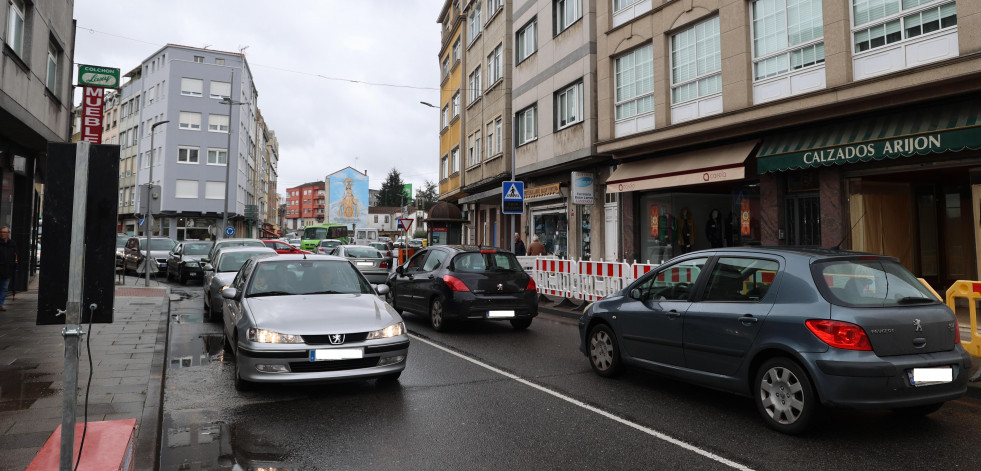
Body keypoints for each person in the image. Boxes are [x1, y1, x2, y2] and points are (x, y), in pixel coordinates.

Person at [0, 226, 16, 311]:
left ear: (8, 233)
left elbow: (15, 255)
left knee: (4, 288)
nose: (2, 234)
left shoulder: (12, 244)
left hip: (8, 269)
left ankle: (0, 304)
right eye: (1, 232)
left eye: (4, 232)